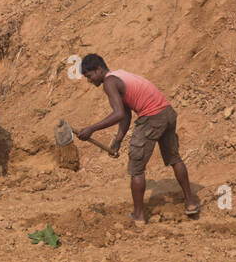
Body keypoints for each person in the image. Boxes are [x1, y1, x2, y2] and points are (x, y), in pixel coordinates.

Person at [77, 54, 200, 224]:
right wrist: (118, 140)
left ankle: (138, 215)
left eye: (89, 76)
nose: (89, 81)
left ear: (99, 70)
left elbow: (118, 113)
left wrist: (92, 129)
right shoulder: (120, 76)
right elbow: (126, 114)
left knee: (136, 169)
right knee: (174, 158)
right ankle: (191, 202)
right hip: (167, 112)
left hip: (152, 117)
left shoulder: (109, 82)